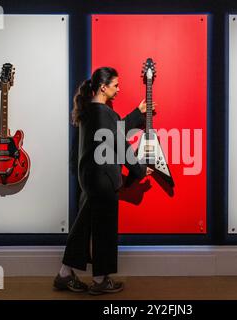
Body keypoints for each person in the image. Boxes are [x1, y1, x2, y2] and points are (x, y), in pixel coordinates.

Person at [53, 67, 154, 295]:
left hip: (88, 178)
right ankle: (100, 280)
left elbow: (114, 131)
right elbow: (120, 143)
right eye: (115, 85)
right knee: (104, 229)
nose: (118, 90)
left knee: (83, 226)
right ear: (103, 87)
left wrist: (137, 113)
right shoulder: (104, 114)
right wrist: (138, 170)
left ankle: (64, 274)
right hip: (103, 179)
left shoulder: (88, 112)